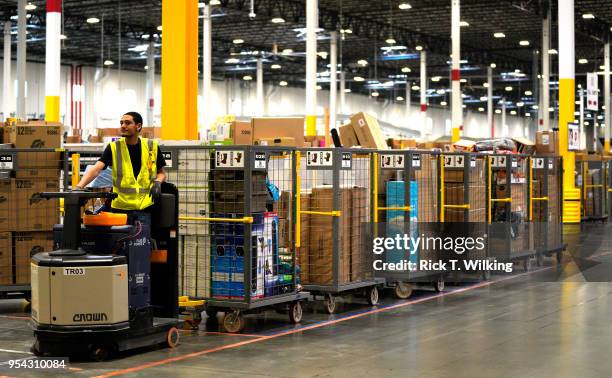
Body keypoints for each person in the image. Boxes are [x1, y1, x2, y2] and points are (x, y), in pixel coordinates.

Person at [75, 112, 166, 225]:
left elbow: (161, 173)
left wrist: (158, 182)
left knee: (141, 242)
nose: (123, 126)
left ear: (138, 126)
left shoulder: (152, 146)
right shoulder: (114, 147)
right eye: (121, 123)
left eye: (127, 123)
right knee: (120, 241)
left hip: (145, 208)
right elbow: (96, 169)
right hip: (120, 208)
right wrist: (78, 187)